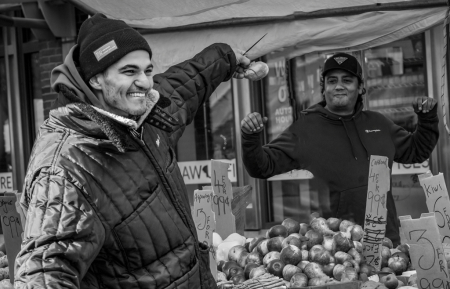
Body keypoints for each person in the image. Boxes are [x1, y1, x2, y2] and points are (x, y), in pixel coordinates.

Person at [15, 13, 250, 289]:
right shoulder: (66, 166)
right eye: (129, 71)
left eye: (147, 70)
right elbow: (43, 274)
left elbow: (185, 85)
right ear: (95, 79)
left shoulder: (143, 114)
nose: (145, 82)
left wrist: (226, 57)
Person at [240, 52, 439, 246]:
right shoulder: (307, 129)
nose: (339, 86)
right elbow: (262, 167)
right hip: (335, 250)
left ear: (361, 87)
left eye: (347, 80)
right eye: (332, 81)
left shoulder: (379, 123)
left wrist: (427, 118)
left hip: (385, 242)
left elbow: (416, 151)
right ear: (323, 88)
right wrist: (250, 137)